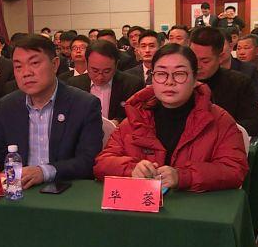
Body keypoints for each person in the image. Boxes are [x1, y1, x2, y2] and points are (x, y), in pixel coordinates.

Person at [94, 44, 248, 192]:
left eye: (179, 74)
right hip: (143, 204)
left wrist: (183, 176)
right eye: (161, 74)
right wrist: (132, 170)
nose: (169, 82)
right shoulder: (136, 118)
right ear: (152, 78)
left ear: (195, 78)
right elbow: (102, 163)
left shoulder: (219, 120)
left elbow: (234, 170)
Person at [0, 34, 103, 188]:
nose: (26, 72)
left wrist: (44, 172)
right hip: (18, 190)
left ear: (55, 64)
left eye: (34, 63)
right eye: (18, 66)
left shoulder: (84, 105)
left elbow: (88, 161)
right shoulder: (7, 105)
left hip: (65, 189)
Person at [190, 27, 258, 137]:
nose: (198, 66)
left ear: (220, 58)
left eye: (205, 61)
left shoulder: (239, 83)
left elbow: (253, 124)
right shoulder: (184, 82)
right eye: (194, 60)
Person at [67, 40, 144, 124]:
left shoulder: (132, 85)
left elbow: (138, 117)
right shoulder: (74, 85)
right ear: (87, 63)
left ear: (116, 65)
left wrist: (118, 122)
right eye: (95, 71)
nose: (100, 77)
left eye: (106, 71)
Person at [220, 31, 258, 100]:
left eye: (220, 45)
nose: (216, 50)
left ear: (231, 46)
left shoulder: (247, 69)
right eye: (239, 48)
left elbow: (255, 98)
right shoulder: (206, 69)